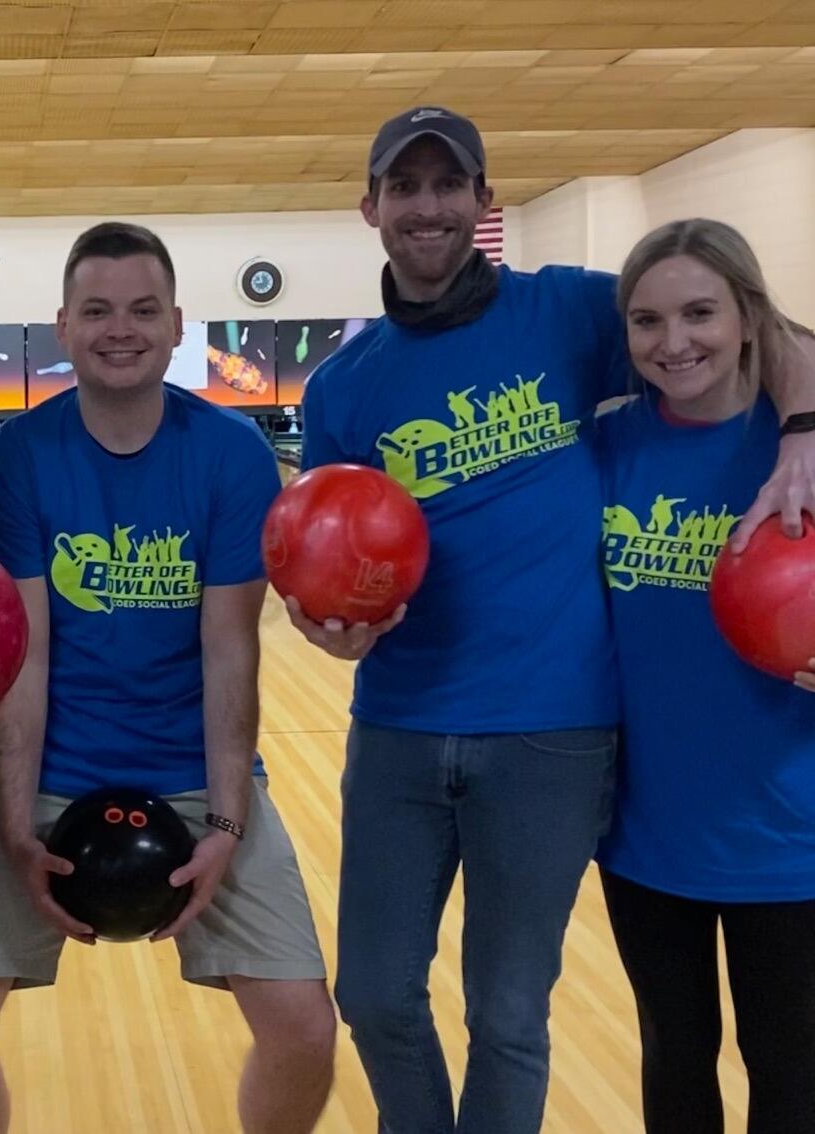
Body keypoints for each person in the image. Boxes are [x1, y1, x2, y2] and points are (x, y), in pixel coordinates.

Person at [295, 106, 815, 1133]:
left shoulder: (574, 310)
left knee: (508, 1014)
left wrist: (802, 431)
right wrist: (327, 624)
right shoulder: (344, 386)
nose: (429, 206)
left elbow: (775, 332)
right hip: (400, 726)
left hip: (555, 734)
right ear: (371, 208)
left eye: (450, 184)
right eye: (406, 186)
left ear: (483, 202)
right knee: (376, 993)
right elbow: (322, 552)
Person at [0, 222, 336, 1134]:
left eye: (143, 310)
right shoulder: (17, 461)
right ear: (63, 327)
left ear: (177, 324)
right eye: (97, 311)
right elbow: (27, 657)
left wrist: (227, 823)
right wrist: (14, 826)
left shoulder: (232, 455)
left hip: (196, 774)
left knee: (305, 1029)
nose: (120, 329)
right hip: (47, 775)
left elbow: (230, 651)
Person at [597, 218, 815, 1133]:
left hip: (790, 835)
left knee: (793, 1080)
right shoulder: (610, 447)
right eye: (647, 320)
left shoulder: (802, 452)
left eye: (699, 313)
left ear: (748, 316)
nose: (674, 342)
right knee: (675, 1063)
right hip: (648, 833)